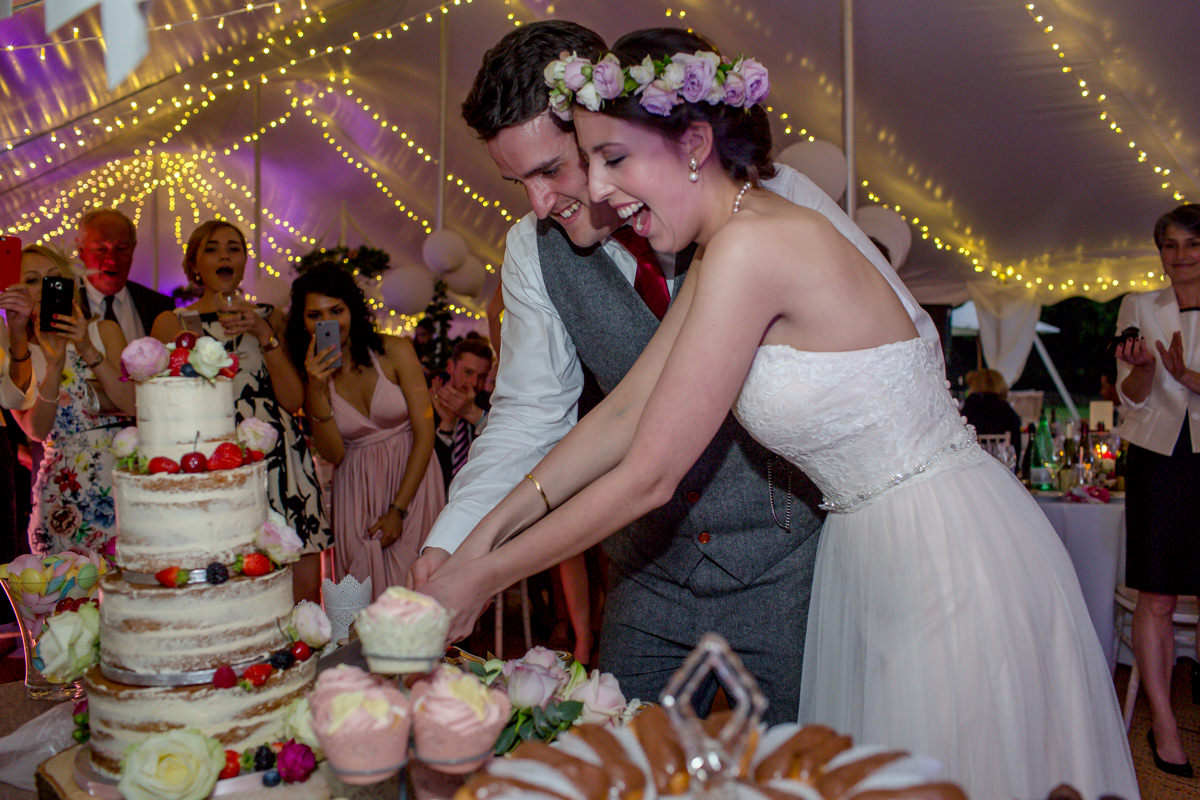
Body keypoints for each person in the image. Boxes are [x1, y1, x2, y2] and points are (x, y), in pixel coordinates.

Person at [418, 28, 1139, 798]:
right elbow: (626, 412)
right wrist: (475, 539)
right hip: (866, 549)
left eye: (611, 158)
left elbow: (648, 472)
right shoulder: (730, 230)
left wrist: (486, 575)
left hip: (930, 549)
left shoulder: (753, 242)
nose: (596, 189)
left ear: (694, 143)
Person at [412, 19, 910, 719]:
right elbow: (558, 414)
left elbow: (905, 343)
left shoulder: (762, 199)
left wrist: (489, 568)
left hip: (790, 571)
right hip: (648, 577)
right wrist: (459, 543)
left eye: (553, 169)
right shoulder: (534, 250)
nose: (537, 204)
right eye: (515, 181)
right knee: (623, 765)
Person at [151, 220, 330, 602]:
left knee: (302, 586)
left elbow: (293, 400)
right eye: (213, 248)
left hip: (278, 458)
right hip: (215, 459)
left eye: (235, 248)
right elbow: (162, 404)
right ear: (194, 264)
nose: (226, 255)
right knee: (232, 585)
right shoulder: (171, 322)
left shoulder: (269, 317)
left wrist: (264, 333)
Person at [283, 264, 444, 600]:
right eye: (315, 314)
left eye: (337, 310)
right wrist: (315, 388)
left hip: (411, 481)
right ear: (303, 321)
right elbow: (333, 453)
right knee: (358, 604)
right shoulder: (311, 373)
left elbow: (426, 432)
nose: (328, 322)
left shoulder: (395, 350)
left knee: (416, 598)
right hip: (355, 486)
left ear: (353, 310)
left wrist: (398, 509)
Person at [1113, 202, 1200, 777]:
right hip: (1158, 462)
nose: (1181, 257)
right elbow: (1133, 397)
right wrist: (1144, 370)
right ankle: (1164, 727)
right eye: (1170, 245)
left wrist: (1193, 379)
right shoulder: (1140, 306)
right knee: (1157, 597)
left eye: (1192, 245)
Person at [6, 245, 133, 560]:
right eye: (33, 281)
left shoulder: (104, 330)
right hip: (61, 490)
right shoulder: (16, 353)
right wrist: (54, 364)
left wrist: (86, 347)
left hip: (120, 480)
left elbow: (133, 404)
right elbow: (35, 429)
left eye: (54, 279)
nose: (46, 289)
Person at [75, 209, 173, 341]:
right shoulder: (66, 304)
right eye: (101, 250)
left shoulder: (158, 306)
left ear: (133, 248)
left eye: (121, 249)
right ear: (80, 250)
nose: (112, 259)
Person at [431, 336, 493, 489]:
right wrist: (447, 425)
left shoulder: (487, 405)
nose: (474, 383)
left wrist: (473, 413)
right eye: (468, 372)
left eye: (482, 376)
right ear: (451, 367)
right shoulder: (430, 400)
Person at [961, 367, 1022, 458]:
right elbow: (1016, 430)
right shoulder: (1003, 406)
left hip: (975, 459)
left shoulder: (972, 403)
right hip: (1001, 460)